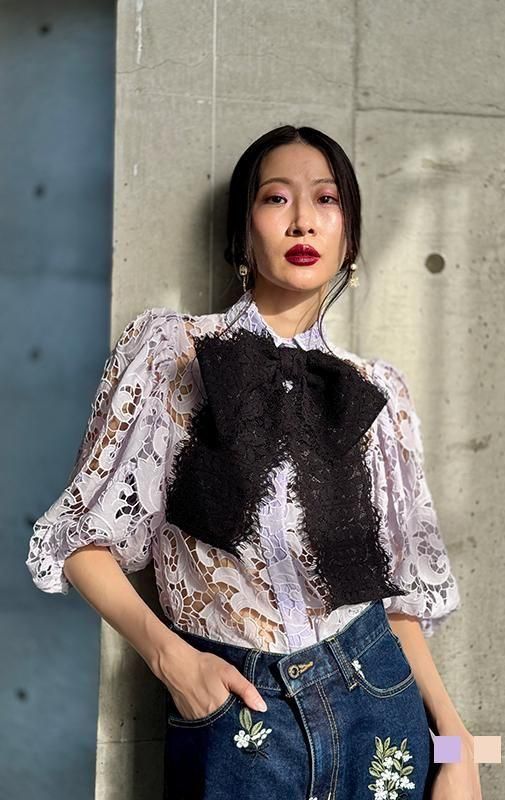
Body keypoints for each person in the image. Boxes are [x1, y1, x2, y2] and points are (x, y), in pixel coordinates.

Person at [26, 125, 481, 800]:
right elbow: (79, 542)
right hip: (238, 714)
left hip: (379, 707)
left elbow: (396, 604)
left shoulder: (376, 391)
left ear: (350, 236)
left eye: (326, 199)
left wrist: (457, 745)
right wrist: (174, 662)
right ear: (243, 233)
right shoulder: (172, 351)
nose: (303, 220)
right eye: (276, 198)